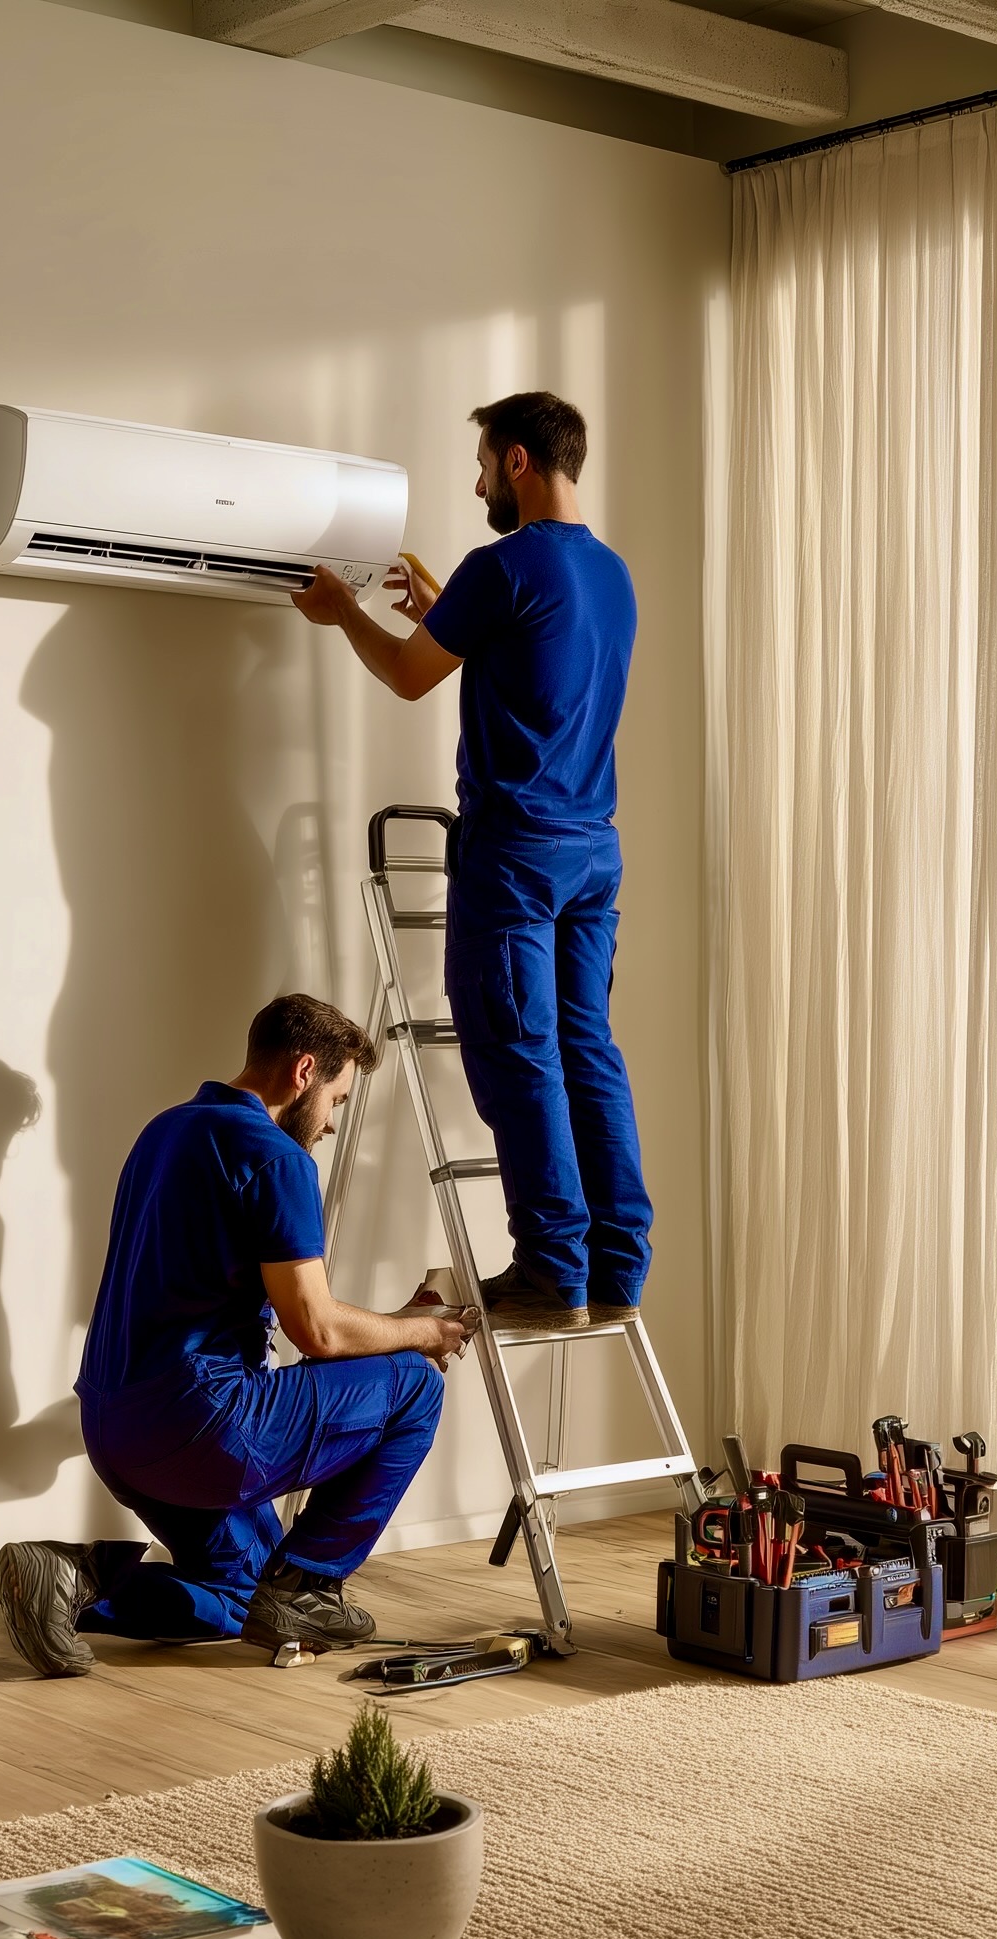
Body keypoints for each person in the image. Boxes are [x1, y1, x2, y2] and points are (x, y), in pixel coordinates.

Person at [290, 390, 650, 1334]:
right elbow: (539, 658)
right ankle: (615, 1267)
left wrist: (342, 613)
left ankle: (552, 1273)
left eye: (485, 464)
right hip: (591, 851)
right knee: (587, 1052)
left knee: (518, 1050)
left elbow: (410, 676)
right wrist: (447, 609)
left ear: (519, 461)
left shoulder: (504, 564)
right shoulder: (610, 574)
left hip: (516, 855)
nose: (479, 483)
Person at [0, 994, 477, 1678]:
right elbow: (316, 1331)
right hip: (202, 1428)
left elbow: (236, 1299)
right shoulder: (276, 1157)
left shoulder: (165, 1131)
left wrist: (395, 1329)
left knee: (245, 1597)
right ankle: (309, 1586)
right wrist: (422, 1332)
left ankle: (77, 1579)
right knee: (418, 1388)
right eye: (336, 1100)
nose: (331, 1123)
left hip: (111, 1429)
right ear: (304, 1072)